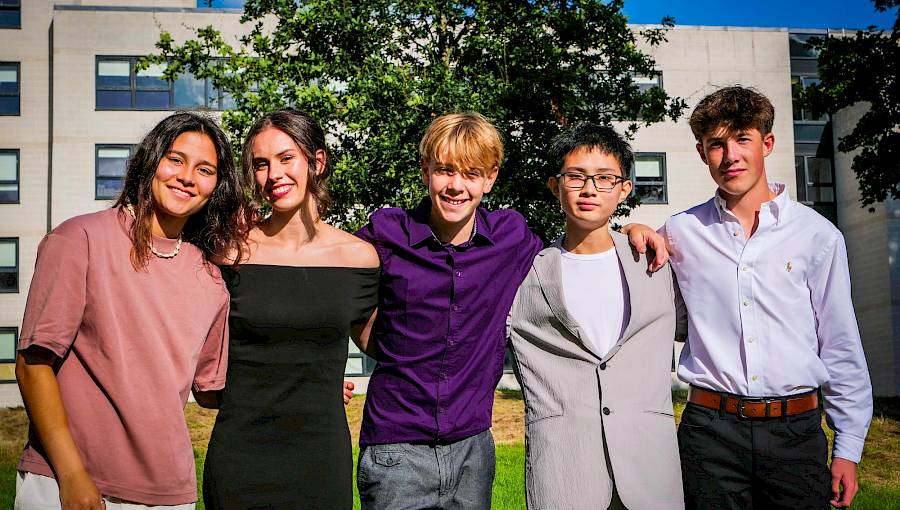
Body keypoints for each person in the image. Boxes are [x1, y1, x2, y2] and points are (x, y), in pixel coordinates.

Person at [354, 111, 667, 509]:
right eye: (444, 171)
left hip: (473, 447)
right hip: (396, 447)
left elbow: (579, 245)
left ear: (490, 178)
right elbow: (332, 283)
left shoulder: (511, 238)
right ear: (425, 170)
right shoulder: (386, 232)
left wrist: (629, 230)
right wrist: (365, 342)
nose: (455, 186)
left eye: (470, 174)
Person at [15, 112, 244, 509]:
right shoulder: (79, 239)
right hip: (68, 483)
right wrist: (72, 476)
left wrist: (306, 382)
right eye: (175, 159)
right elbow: (33, 364)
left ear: (216, 187)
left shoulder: (211, 279)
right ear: (150, 161)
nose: (187, 176)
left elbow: (211, 391)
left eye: (204, 169)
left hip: (169, 493)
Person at [664, 86, 873, 509]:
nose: (731, 155)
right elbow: (670, 320)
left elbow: (840, 342)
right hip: (709, 432)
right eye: (716, 144)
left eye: (743, 138)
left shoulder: (818, 236)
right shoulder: (679, 233)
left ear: (767, 143)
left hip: (795, 433)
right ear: (703, 154)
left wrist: (848, 446)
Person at [201, 108, 379, 510]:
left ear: (317, 162)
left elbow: (380, 343)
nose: (273, 174)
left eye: (286, 158)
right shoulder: (231, 252)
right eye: (261, 164)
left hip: (320, 456)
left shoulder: (359, 257)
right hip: (241, 454)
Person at [508, 123, 684, 510]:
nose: (590, 189)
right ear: (556, 186)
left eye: (605, 178)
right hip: (564, 468)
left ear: (624, 188)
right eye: (576, 177)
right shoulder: (525, 272)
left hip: (649, 467)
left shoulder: (656, 262)